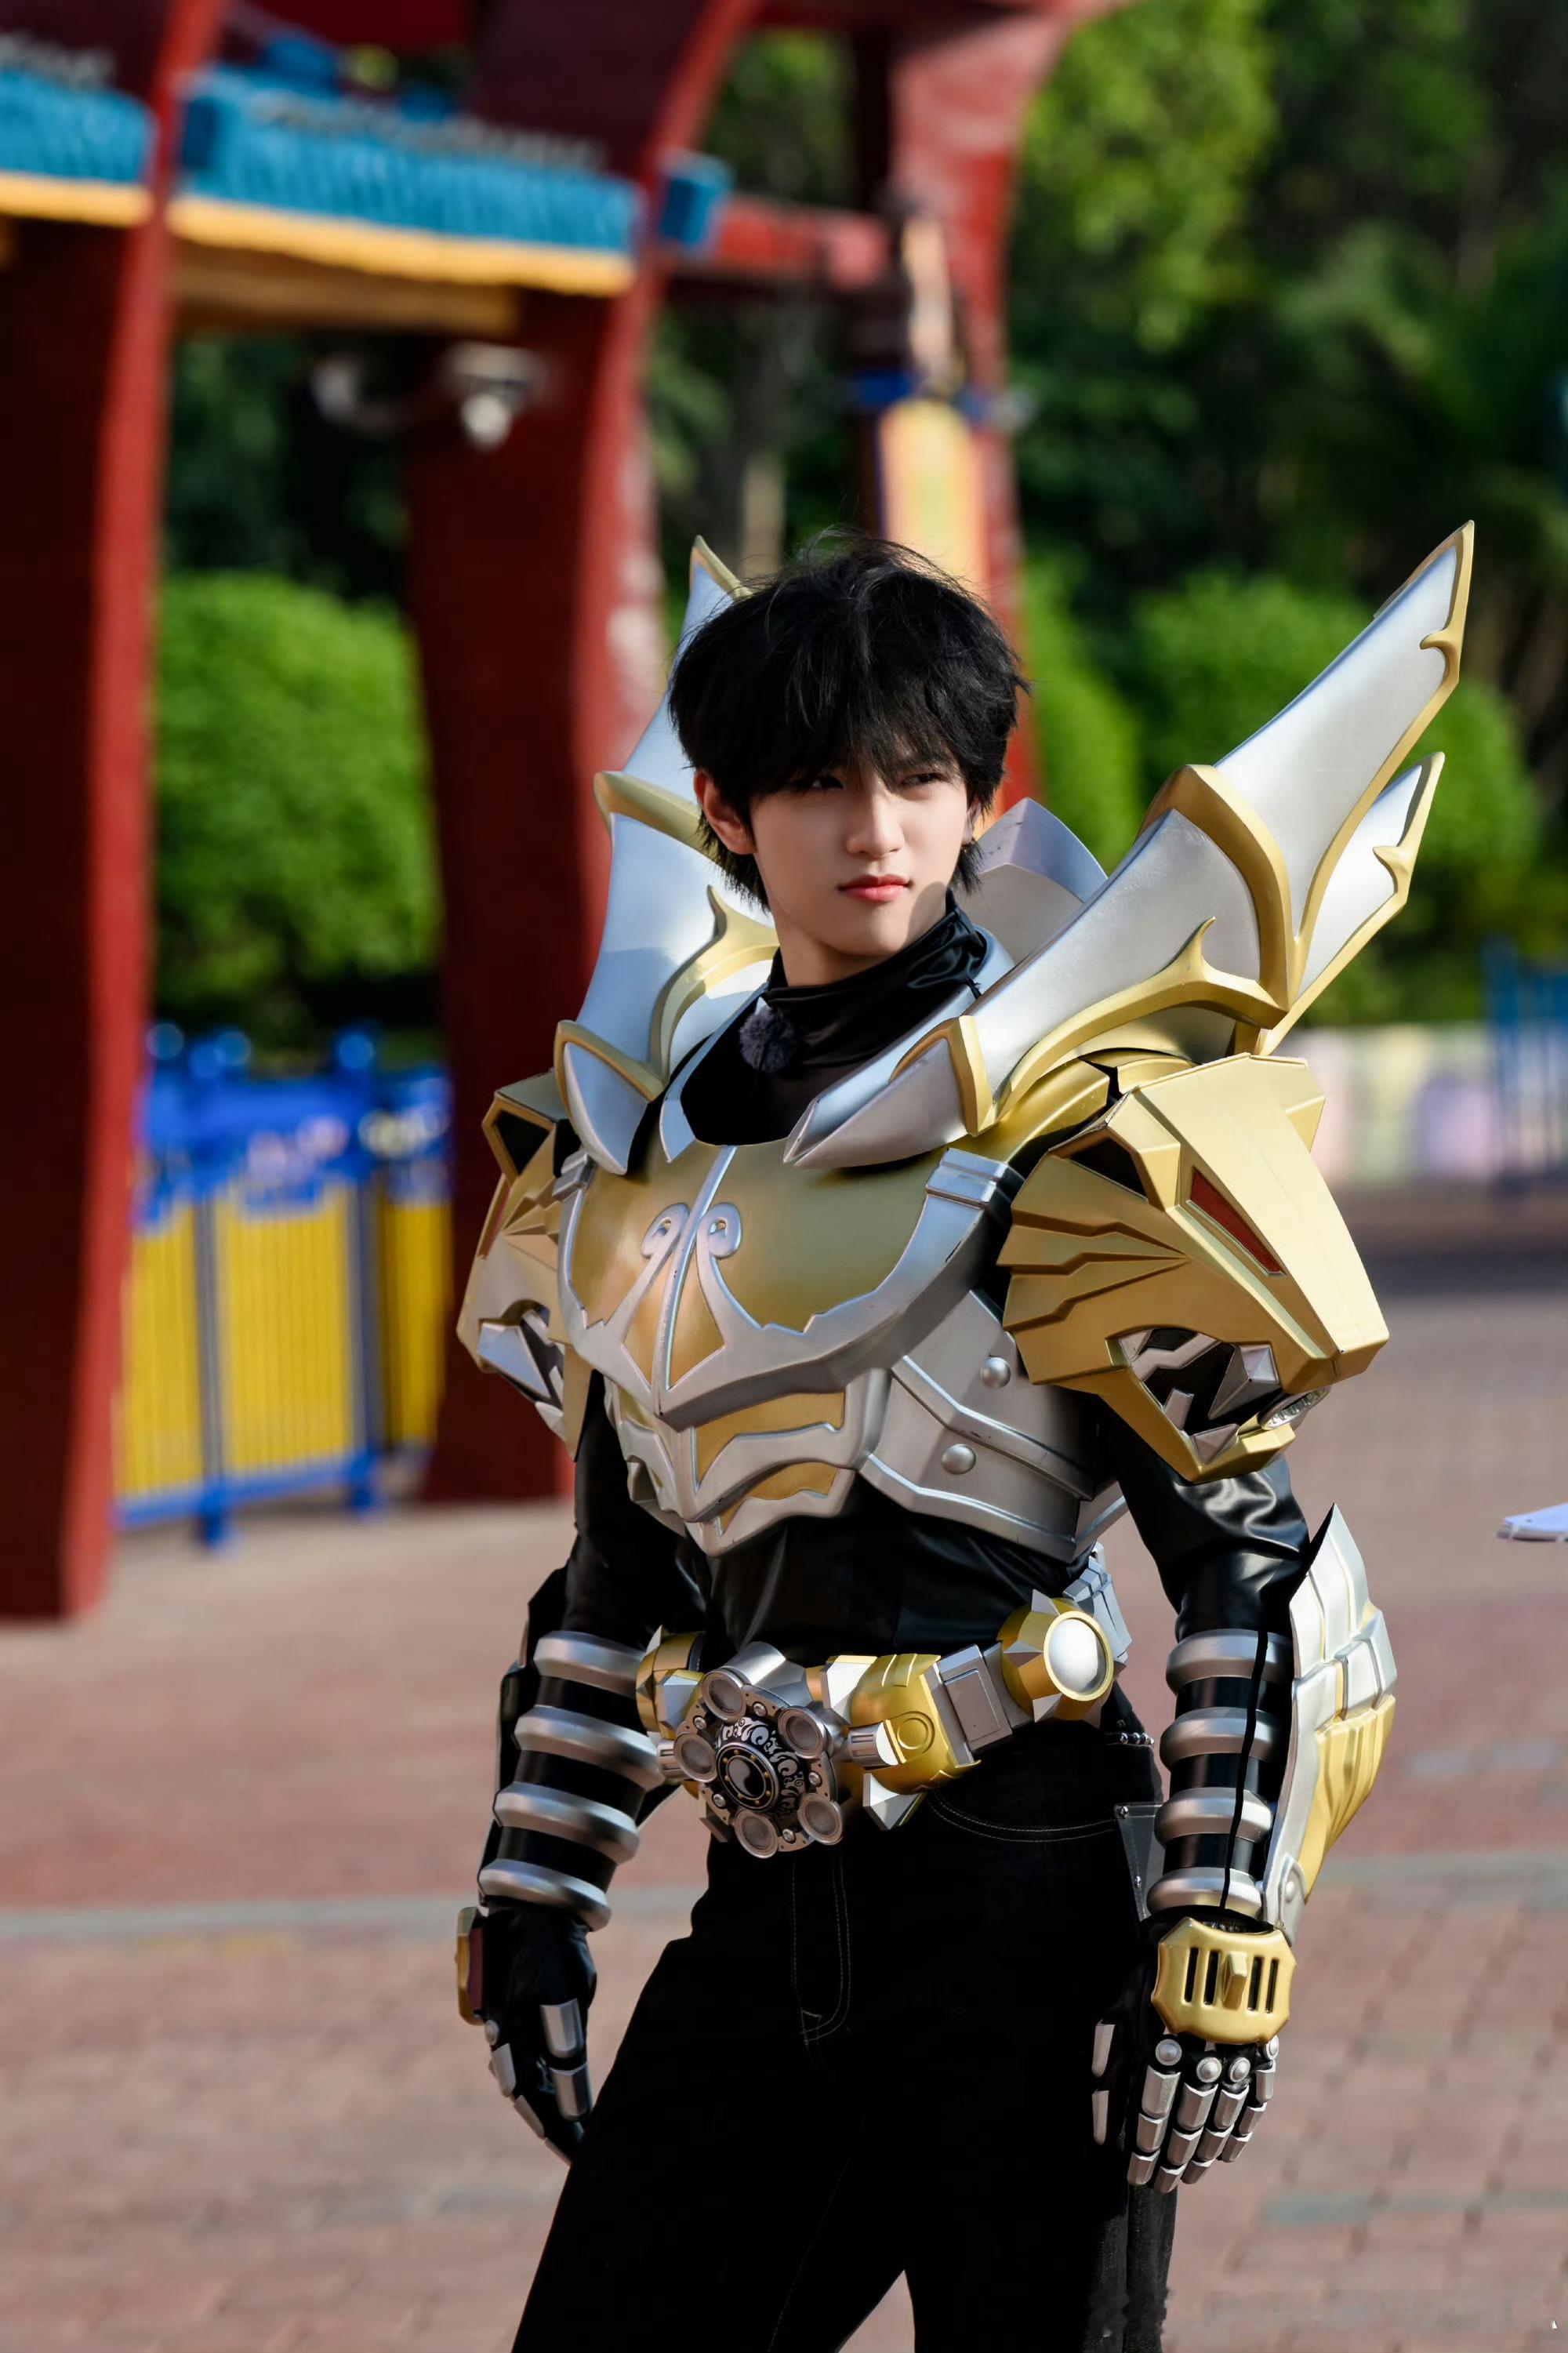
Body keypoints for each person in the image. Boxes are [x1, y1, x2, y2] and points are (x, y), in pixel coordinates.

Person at [454, 525, 1471, 2351]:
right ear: (722, 811)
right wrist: (540, 1881)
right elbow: (622, 1568)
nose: (879, 829)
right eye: (820, 783)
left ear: (977, 796)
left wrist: (1220, 1935)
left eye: (923, 778)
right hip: (767, 1895)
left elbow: (1251, 1571)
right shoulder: (637, 1143)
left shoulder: (1079, 1122)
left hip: (1026, 1882)